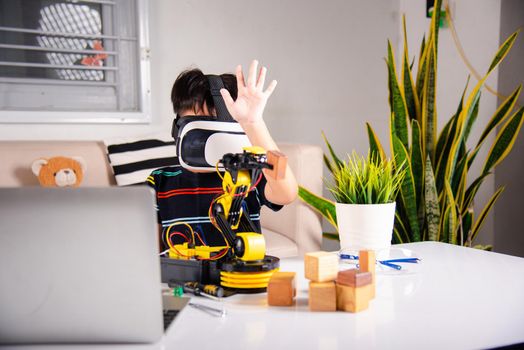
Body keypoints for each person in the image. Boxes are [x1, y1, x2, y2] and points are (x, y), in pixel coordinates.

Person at [147, 60, 298, 251]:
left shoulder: (248, 177)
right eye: (199, 132)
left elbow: (287, 193)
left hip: (239, 278)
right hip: (182, 279)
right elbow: (150, 254)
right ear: (177, 130)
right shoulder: (160, 182)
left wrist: (253, 123)